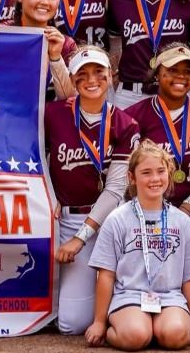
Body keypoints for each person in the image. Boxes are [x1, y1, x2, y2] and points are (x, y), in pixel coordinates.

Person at [124, 43, 190, 341]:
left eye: (188, 71)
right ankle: (139, 308)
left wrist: (188, 207)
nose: (181, 77)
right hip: (148, 206)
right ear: (157, 74)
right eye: (172, 70)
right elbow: (128, 173)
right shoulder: (134, 115)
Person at [42, 45, 141, 336]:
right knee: (70, 323)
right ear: (72, 80)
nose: (91, 79)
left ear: (111, 75)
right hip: (65, 218)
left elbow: (115, 189)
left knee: (79, 321)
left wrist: (80, 238)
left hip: (108, 222)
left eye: (99, 72)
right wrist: (49, 195)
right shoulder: (54, 114)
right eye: (82, 74)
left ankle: (116, 307)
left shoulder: (125, 123)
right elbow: (37, 160)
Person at [85, 140, 190, 350]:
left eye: (160, 171)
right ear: (132, 177)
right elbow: (106, 274)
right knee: (135, 335)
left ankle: (159, 329)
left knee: (175, 335)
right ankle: (132, 330)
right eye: (146, 173)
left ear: (169, 174)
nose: (155, 179)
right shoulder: (117, 219)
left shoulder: (181, 221)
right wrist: (99, 322)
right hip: (129, 296)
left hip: (170, 297)